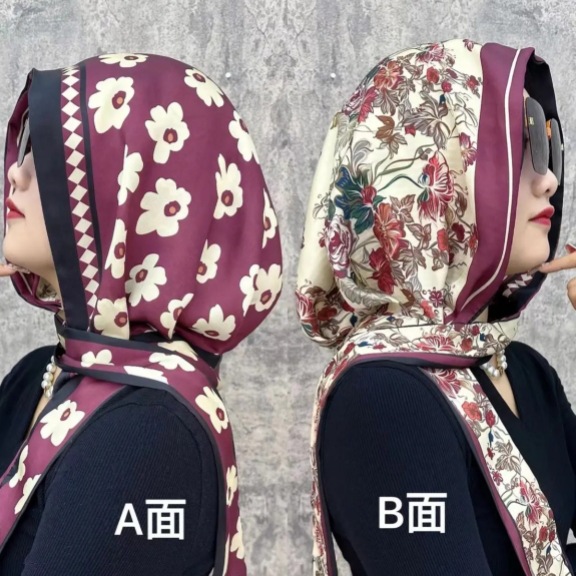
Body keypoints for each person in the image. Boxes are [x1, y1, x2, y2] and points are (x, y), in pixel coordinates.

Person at [296, 39, 576, 575]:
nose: (551, 180)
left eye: (551, 147)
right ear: (433, 180)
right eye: (520, 148)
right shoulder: (384, 399)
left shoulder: (522, 369)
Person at [0, 52, 282, 575]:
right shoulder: (39, 375)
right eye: (26, 150)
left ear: (129, 196)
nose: (16, 173)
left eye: (50, 155)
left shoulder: (147, 434)